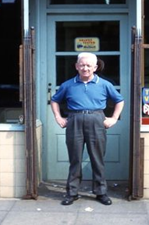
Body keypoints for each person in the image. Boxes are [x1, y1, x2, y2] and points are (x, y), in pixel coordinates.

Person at [50, 52, 124, 206]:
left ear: (95, 67)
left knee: (97, 158)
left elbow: (119, 100)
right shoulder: (68, 85)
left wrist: (114, 118)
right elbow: (55, 100)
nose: (85, 68)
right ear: (77, 66)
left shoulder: (104, 84)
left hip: (97, 119)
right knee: (75, 158)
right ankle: (72, 192)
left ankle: (101, 192)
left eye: (89, 65)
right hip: (74, 119)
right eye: (82, 65)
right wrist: (58, 117)